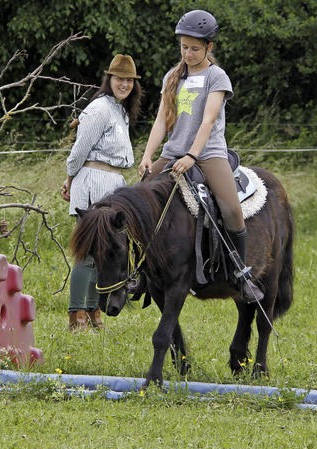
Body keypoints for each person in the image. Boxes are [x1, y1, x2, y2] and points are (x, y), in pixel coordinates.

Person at [138, 10, 263, 303]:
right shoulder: (173, 76)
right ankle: (144, 271)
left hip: (208, 153)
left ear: (209, 47)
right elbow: (160, 121)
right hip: (172, 153)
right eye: (184, 47)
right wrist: (147, 155)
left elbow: (208, 121)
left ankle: (240, 274)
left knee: (231, 208)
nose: (188, 53)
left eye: (195, 48)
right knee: (139, 200)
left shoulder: (216, 77)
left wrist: (193, 155)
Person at [62, 54, 142, 331]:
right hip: (93, 179)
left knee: (107, 253)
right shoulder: (99, 109)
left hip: (113, 183)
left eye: (130, 80)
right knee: (89, 254)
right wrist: (70, 180)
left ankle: (95, 312)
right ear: (109, 79)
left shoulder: (119, 110)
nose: (125, 84)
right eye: (120, 79)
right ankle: (77, 314)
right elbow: (79, 150)